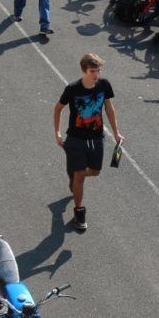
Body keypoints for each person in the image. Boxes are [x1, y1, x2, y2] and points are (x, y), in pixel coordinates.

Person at [54, 53, 123, 232]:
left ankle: (75, 177)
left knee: (94, 171)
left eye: (98, 70)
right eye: (93, 71)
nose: (96, 75)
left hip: (96, 137)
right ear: (84, 70)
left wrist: (116, 133)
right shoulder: (72, 89)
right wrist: (58, 133)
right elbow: (58, 109)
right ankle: (79, 212)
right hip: (76, 139)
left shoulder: (104, 85)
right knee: (79, 175)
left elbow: (109, 108)